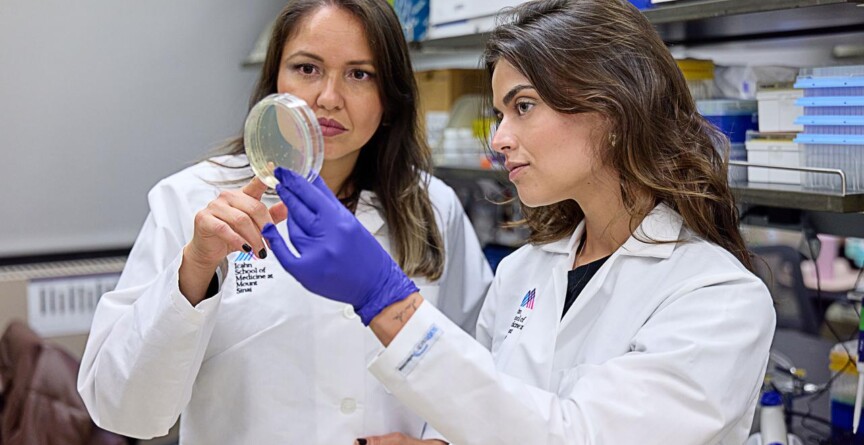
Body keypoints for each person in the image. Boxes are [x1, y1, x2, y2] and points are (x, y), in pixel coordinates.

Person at [261, 0, 776, 444]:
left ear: (616, 111)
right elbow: (488, 417)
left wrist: (386, 300)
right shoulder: (523, 272)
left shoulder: (719, 298)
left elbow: (578, 437)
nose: (499, 138)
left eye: (523, 106)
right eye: (501, 113)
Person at [77, 1, 492, 444]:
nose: (328, 97)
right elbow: (122, 409)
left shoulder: (430, 206)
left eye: (359, 74)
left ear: (390, 97)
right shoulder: (192, 199)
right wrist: (196, 267)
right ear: (275, 79)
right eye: (307, 68)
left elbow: (482, 372)